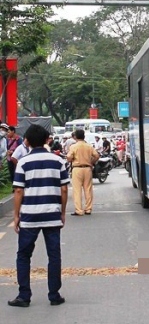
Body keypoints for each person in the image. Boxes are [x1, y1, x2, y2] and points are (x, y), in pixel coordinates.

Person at [8, 124, 69, 307]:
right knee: (54, 255)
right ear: (46, 140)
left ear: (26, 141)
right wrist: (63, 212)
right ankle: (54, 295)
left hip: (30, 216)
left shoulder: (23, 163)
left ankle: (24, 296)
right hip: (52, 214)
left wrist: (16, 216)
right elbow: (64, 189)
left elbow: (19, 191)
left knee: (24, 255)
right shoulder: (58, 161)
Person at [66, 129, 99, 216]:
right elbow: (96, 156)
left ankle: (79, 210)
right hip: (88, 168)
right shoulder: (89, 146)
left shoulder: (73, 146)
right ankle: (88, 209)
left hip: (77, 169)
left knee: (77, 190)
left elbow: (69, 157)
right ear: (84, 136)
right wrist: (91, 162)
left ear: (75, 137)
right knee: (88, 189)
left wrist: (72, 159)